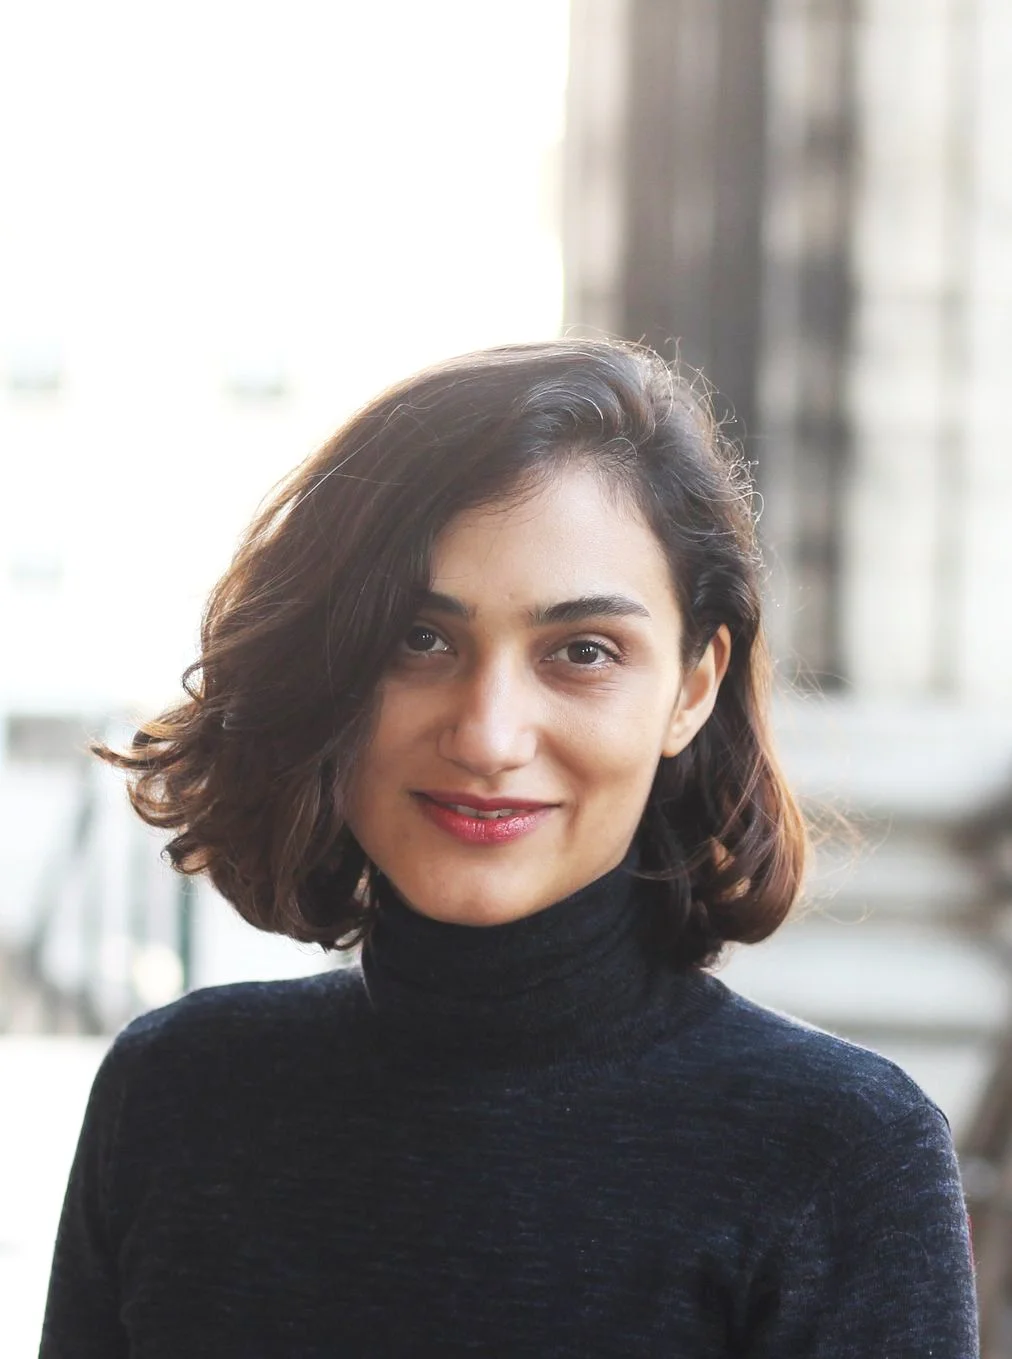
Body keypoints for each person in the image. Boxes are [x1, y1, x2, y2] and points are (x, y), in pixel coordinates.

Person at [40, 339, 977, 1357]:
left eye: (581, 652)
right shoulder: (175, 1094)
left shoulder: (838, 1154)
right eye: (419, 639)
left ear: (693, 687)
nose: (487, 736)